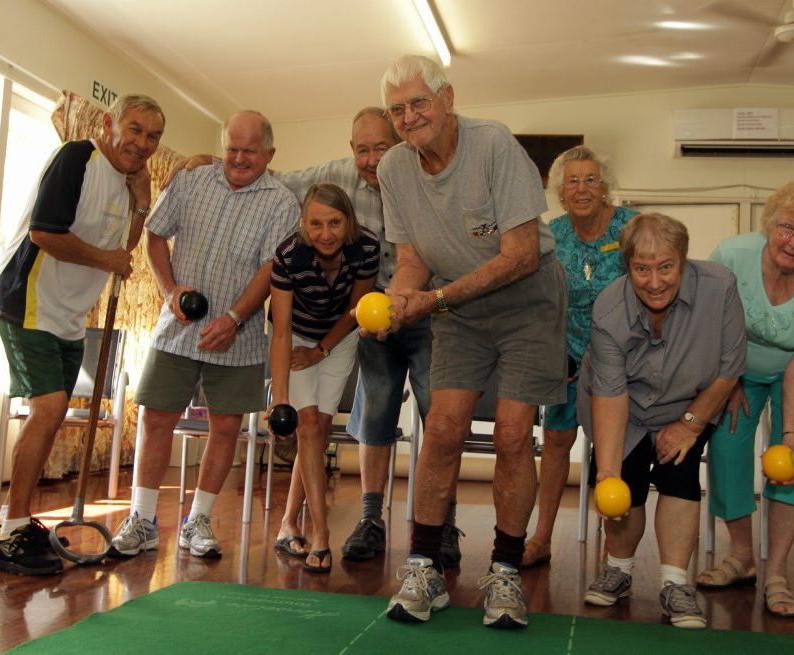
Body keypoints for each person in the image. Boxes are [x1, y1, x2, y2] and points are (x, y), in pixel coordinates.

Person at [165, 109, 463, 566]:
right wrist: (214, 160)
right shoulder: (317, 207)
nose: (370, 159)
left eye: (380, 148)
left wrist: (324, 349)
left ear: (400, 145)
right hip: (351, 322)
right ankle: (364, 521)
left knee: (440, 421)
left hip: (417, 311)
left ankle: (441, 525)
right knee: (369, 416)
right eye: (362, 149)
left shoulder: (419, 181)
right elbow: (269, 174)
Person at [377, 55, 568, 629]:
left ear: (447, 98)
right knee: (441, 427)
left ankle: (506, 573)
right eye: (397, 109)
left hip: (528, 300)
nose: (409, 117)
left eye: (419, 102)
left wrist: (432, 300)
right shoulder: (393, 168)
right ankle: (424, 568)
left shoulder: (494, 145)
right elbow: (412, 258)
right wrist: (397, 299)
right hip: (457, 306)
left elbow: (522, 256)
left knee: (511, 433)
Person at [0, 94, 165, 576]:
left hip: (68, 313)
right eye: (134, 129)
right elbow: (44, 233)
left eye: (152, 136)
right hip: (26, 299)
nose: (142, 143)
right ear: (109, 124)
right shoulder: (76, 158)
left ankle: (16, 520)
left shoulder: (129, 180)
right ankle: (8, 532)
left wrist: (142, 204)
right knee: (48, 409)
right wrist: (106, 260)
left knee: (54, 411)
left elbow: (124, 248)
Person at [108, 110, 299, 560]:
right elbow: (156, 236)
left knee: (226, 426)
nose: (238, 159)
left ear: (269, 154)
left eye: (249, 151)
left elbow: (270, 269)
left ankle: (198, 521)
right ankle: (142, 519)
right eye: (231, 149)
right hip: (177, 330)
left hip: (240, 335)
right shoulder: (192, 178)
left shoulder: (282, 203)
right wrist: (169, 291)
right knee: (156, 418)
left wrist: (234, 318)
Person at [577, 213, 746, 629]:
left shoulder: (720, 287)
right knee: (623, 480)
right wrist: (609, 473)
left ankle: (675, 584)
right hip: (624, 404)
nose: (655, 281)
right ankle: (618, 570)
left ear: (683, 260)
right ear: (628, 266)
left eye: (666, 267)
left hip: (688, 401)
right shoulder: (609, 308)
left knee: (679, 473)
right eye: (642, 269)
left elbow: (729, 368)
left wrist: (689, 425)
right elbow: (610, 393)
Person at [697, 182, 794, 618]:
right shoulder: (732, 255)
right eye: (786, 227)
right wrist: (728, 381)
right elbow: (706, 323)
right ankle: (741, 557)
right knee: (727, 447)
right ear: (770, 224)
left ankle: (777, 573)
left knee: (793, 459)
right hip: (736, 367)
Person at [522, 145, 638, 567]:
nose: (582, 188)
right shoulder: (551, 235)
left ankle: (614, 549)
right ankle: (541, 537)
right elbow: (540, 301)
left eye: (591, 179)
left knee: (614, 450)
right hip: (567, 356)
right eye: (572, 181)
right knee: (555, 441)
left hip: (621, 358)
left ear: (604, 186)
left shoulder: (630, 227)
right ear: (560, 191)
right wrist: (553, 354)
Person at [269, 183, 379, 573]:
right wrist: (280, 400)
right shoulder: (288, 255)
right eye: (315, 224)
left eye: (334, 223)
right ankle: (320, 534)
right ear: (304, 223)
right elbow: (281, 331)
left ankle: (287, 524)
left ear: (348, 221)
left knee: (317, 431)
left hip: (339, 337)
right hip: (296, 336)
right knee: (308, 426)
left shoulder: (366, 248)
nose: (325, 233)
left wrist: (321, 350)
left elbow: (355, 309)